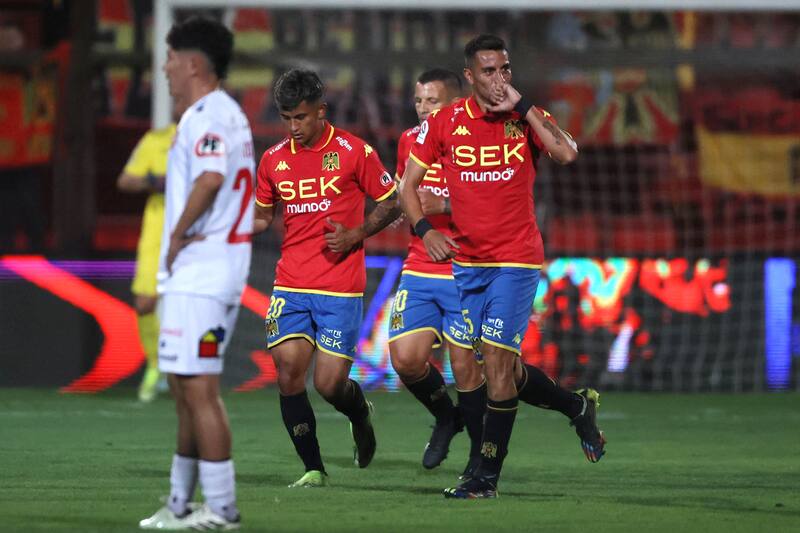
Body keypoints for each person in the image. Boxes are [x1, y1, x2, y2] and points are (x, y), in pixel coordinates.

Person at [399, 34, 606, 499]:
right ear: (470, 76)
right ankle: (576, 407)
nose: (499, 78)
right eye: (489, 71)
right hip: (468, 264)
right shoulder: (446, 122)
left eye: (505, 69)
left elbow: (567, 153)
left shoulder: (526, 117)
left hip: (516, 258)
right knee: (505, 372)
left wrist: (525, 106)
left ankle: (485, 476)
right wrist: (424, 231)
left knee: (494, 362)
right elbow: (408, 186)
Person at [253, 69, 401, 488]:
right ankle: (313, 468)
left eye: (300, 117)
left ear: (321, 111)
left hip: (340, 286)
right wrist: (229, 227)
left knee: (329, 384)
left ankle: (359, 413)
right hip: (291, 283)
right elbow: (263, 216)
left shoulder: (354, 151)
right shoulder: (273, 159)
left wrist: (356, 234)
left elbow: (392, 202)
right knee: (288, 371)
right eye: (286, 118)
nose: (293, 127)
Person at [139, 16, 253, 529]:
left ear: (191, 64)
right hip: (209, 271)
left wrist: (177, 233)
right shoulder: (225, 113)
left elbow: (209, 177)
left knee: (199, 391)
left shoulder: (208, 115)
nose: (164, 68)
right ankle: (179, 504)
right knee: (186, 389)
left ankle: (222, 509)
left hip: (203, 273)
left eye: (169, 58)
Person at [389, 68, 485, 472]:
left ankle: (480, 462)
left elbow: (495, 205)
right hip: (420, 264)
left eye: (433, 101)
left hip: (467, 268)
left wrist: (443, 206)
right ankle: (447, 416)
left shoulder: (477, 142)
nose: (423, 109)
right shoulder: (409, 141)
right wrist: (401, 209)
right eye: (418, 101)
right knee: (405, 360)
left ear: (456, 104)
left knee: (466, 369)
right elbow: (405, 192)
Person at [117, 119, 176, 402]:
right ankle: (156, 365)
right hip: (157, 231)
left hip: (196, 232)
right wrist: (154, 181)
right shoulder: (157, 139)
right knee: (144, 303)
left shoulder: (207, 138)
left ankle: (189, 371)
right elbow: (125, 180)